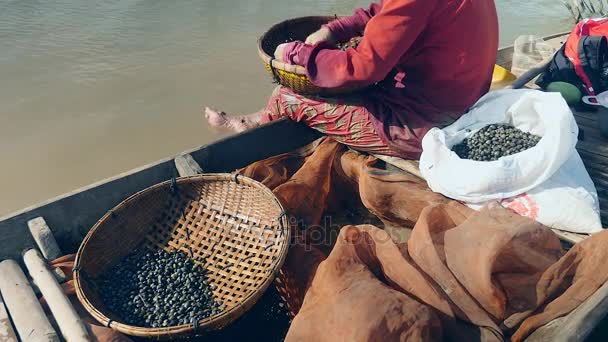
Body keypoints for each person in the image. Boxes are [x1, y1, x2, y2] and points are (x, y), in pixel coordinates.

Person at [205, 0, 498, 159]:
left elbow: (362, 69)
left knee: (288, 95)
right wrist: (334, 30)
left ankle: (253, 124)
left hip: (424, 125)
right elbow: (382, 11)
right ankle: (260, 118)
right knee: (338, 68)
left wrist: (296, 53)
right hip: (463, 98)